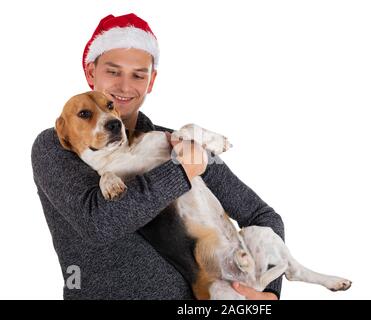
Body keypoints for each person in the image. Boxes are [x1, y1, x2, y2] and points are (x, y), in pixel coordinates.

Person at [31, 13, 284, 300]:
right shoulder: (56, 144)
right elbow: (98, 225)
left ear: (151, 81)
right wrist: (180, 172)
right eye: (113, 72)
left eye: (138, 75)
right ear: (91, 73)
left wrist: (268, 294)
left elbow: (261, 215)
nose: (125, 87)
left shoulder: (179, 143)